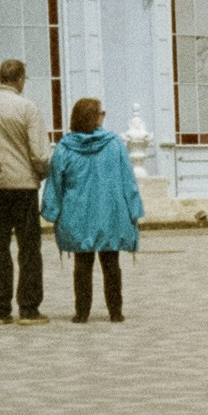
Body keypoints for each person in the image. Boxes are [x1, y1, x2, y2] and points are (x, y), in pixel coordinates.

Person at [40, 97, 144, 320]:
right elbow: (128, 181)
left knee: (82, 265)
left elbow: (55, 183)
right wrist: (135, 211)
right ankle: (115, 312)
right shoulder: (114, 144)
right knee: (111, 265)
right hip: (110, 215)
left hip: (78, 215)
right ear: (95, 118)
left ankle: (82, 313)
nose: (103, 116)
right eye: (101, 113)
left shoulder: (64, 147)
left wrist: (51, 211)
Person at [0, 59, 53, 323]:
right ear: (19, 79)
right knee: (29, 250)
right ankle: (28, 309)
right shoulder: (28, 108)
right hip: (24, 186)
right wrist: (43, 174)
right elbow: (39, 154)